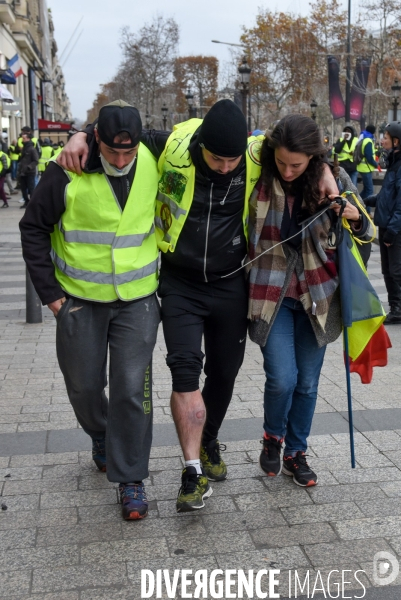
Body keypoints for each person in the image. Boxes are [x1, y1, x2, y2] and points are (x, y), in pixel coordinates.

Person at [58, 101, 339, 513]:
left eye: (233, 160)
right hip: (180, 284)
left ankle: (208, 441)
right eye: (216, 158)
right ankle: (192, 472)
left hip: (230, 285)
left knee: (224, 372)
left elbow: (298, 147)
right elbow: (122, 131)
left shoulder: (257, 153)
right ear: (200, 145)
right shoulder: (172, 145)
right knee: (185, 371)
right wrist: (82, 133)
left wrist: (327, 168)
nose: (226, 167)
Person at [20, 100, 161, 521]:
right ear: (95, 138)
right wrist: (50, 295)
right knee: (83, 386)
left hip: (137, 299)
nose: (121, 160)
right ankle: (101, 435)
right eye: (113, 151)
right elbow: (32, 228)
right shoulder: (66, 168)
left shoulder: (153, 155)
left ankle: (131, 477)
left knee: (131, 389)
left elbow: (206, 133)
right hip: (80, 301)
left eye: (129, 153)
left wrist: (320, 164)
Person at [247, 114, 369, 487]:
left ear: (313, 159)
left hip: (317, 294)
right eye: (281, 161)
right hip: (271, 292)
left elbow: (368, 230)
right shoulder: (258, 173)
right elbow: (242, 144)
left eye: (296, 165)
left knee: (307, 384)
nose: (287, 170)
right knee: (282, 378)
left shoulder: (335, 181)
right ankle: (273, 436)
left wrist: (353, 216)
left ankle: (296, 452)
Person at [365, 121, 401, 324]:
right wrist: (366, 200)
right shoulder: (394, 164)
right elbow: (386, 196)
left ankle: (399, 306)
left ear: (396, 141)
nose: (382, 140)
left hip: (394, 228)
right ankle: (396, 308)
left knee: (396, 270)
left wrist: (392, 231)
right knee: (388, 271)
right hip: (386, 224)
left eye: (385, 137)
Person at [356, 124, 378, 201]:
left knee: (366, 190)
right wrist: (376, 164)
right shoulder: (368, 141)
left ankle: (357, 202)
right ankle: (367, 211)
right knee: (369, 190)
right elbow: (369, 157)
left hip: (362, 167)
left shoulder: (363, 138)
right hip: (366, 169)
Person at [18, 133, 39, 209]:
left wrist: (29, 167)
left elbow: (36, 160)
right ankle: (26, 202)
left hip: (29, 172)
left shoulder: (32, 149)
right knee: (23, 189)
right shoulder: (24, 148)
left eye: (24, 138)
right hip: (22, 172)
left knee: (31, 188)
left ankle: (32, 204)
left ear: (28, 139)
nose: (22, 140)